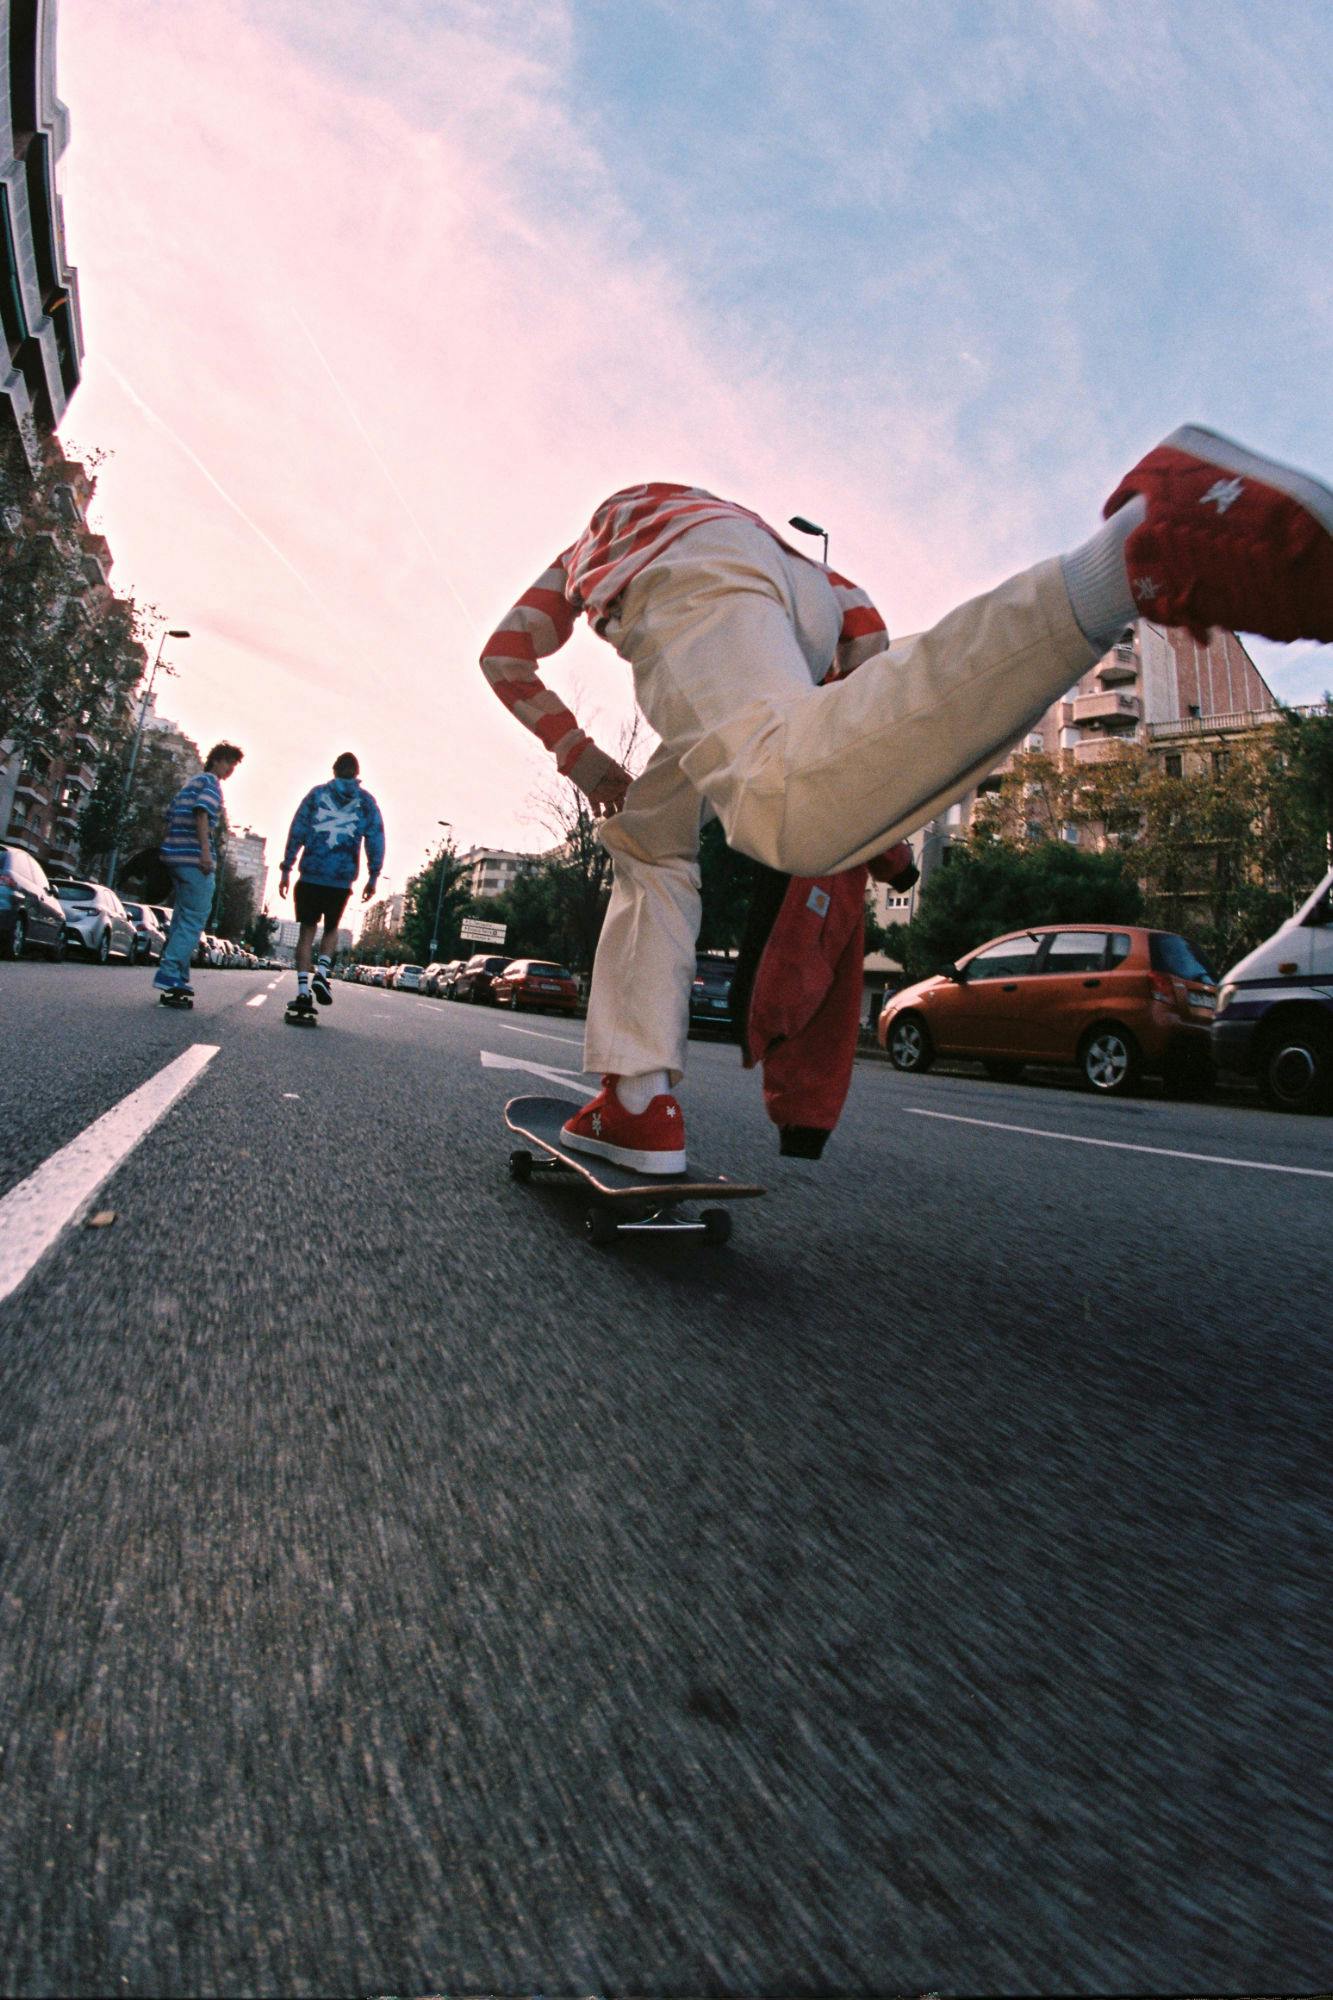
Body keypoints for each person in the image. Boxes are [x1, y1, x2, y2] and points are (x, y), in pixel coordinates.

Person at [480, 425, 1333, 1172]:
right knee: (651, 837)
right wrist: (882, 837)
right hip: (809, 606)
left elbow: (506, 655)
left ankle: (1126, 556)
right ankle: (634, 1098)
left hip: (687, 571)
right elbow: (875, 684)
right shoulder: (788, 555)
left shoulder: (614, 527)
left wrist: (585, 762)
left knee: (779, 807)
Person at [278, 752, 385, 1020]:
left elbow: (298, 829)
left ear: (334, 771)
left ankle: (303, 991)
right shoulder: (366, 802)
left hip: (312, 873)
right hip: (341, 877)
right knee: (332, 928)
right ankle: (322, 973)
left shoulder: (316, 795)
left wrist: (286, 867)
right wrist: (373, 875)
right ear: (356, 773)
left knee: (306, 932)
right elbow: (375, 838)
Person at [153, 741, 244, 1005]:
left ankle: (180, 978)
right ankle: (169, 973)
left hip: (174, 857)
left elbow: (169, 816)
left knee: (181, 918)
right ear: (216, 761)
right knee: (195, 917)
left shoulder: (189, 784)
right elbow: (202, 813)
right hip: (194, 859)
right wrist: (205, 852)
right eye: (229, 763)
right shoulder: (210, 784)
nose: (230, 770)